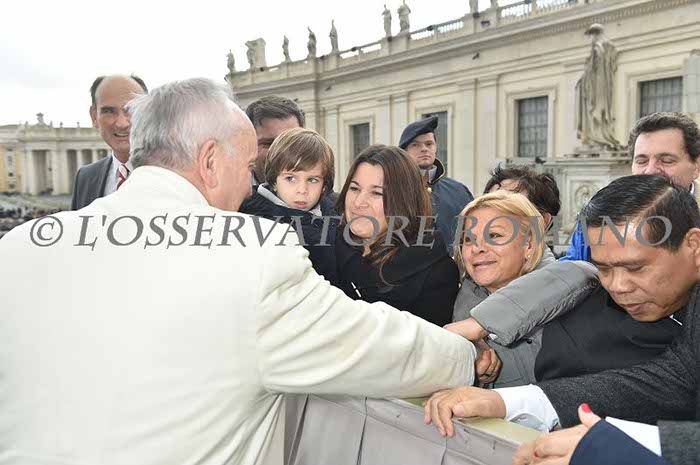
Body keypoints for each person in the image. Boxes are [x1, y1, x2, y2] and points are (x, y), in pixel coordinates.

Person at [0, 78, 478, 465]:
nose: (252, 185)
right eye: (249, 166)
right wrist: (468, 356)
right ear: (210, 160)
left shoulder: (20, 246)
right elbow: (380, 348)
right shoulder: (256, 255)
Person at [422, 176, 700, 459]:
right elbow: (672, 379)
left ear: (694, 246)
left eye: (635, 268)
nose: (618, 286)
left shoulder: (573, 289)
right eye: (604, 269)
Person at [448, 191, 598, 387]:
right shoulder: (456, 304)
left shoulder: (569, 282)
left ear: (528, 245)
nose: (477, 248)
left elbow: (584, 272)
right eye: (468, 239)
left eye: (494, 235)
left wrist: (481, 323)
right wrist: (469, 361)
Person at [334, 144, 460, 326]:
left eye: (376, 193)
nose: (359, 202)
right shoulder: (324, 247)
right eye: (354, 189)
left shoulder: (435, 271)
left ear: (403, 200)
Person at [562, 112, 700, 261]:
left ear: (696, 166)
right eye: (642, 161)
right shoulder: (598, 213)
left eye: (666, 160)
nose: (650, 170)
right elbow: (574, 265)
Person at [239, 127, 338, 281]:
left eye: (312, 180)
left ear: (324, 186)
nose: (302, 190)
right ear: (274, 181)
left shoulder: (336, 214)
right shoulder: (254, 221)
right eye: (291, 178)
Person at [71, 74, 148, 210]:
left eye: (132, 109)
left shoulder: (176, 175)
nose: (121, 123)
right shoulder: (85, 177)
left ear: (148, 113)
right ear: (94, 116)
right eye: (109, 111)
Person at [399, 115, 474, 251]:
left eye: (429, 144)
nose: (424, 149)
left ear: (435, 148)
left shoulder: (459, 191)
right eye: (415, 145)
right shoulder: (392, 192)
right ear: (403, 152)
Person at [244, 95, 305, 185]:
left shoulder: (322, 191)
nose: (281, 153)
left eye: (291, 143)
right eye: (270, 144)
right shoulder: (230, 192)